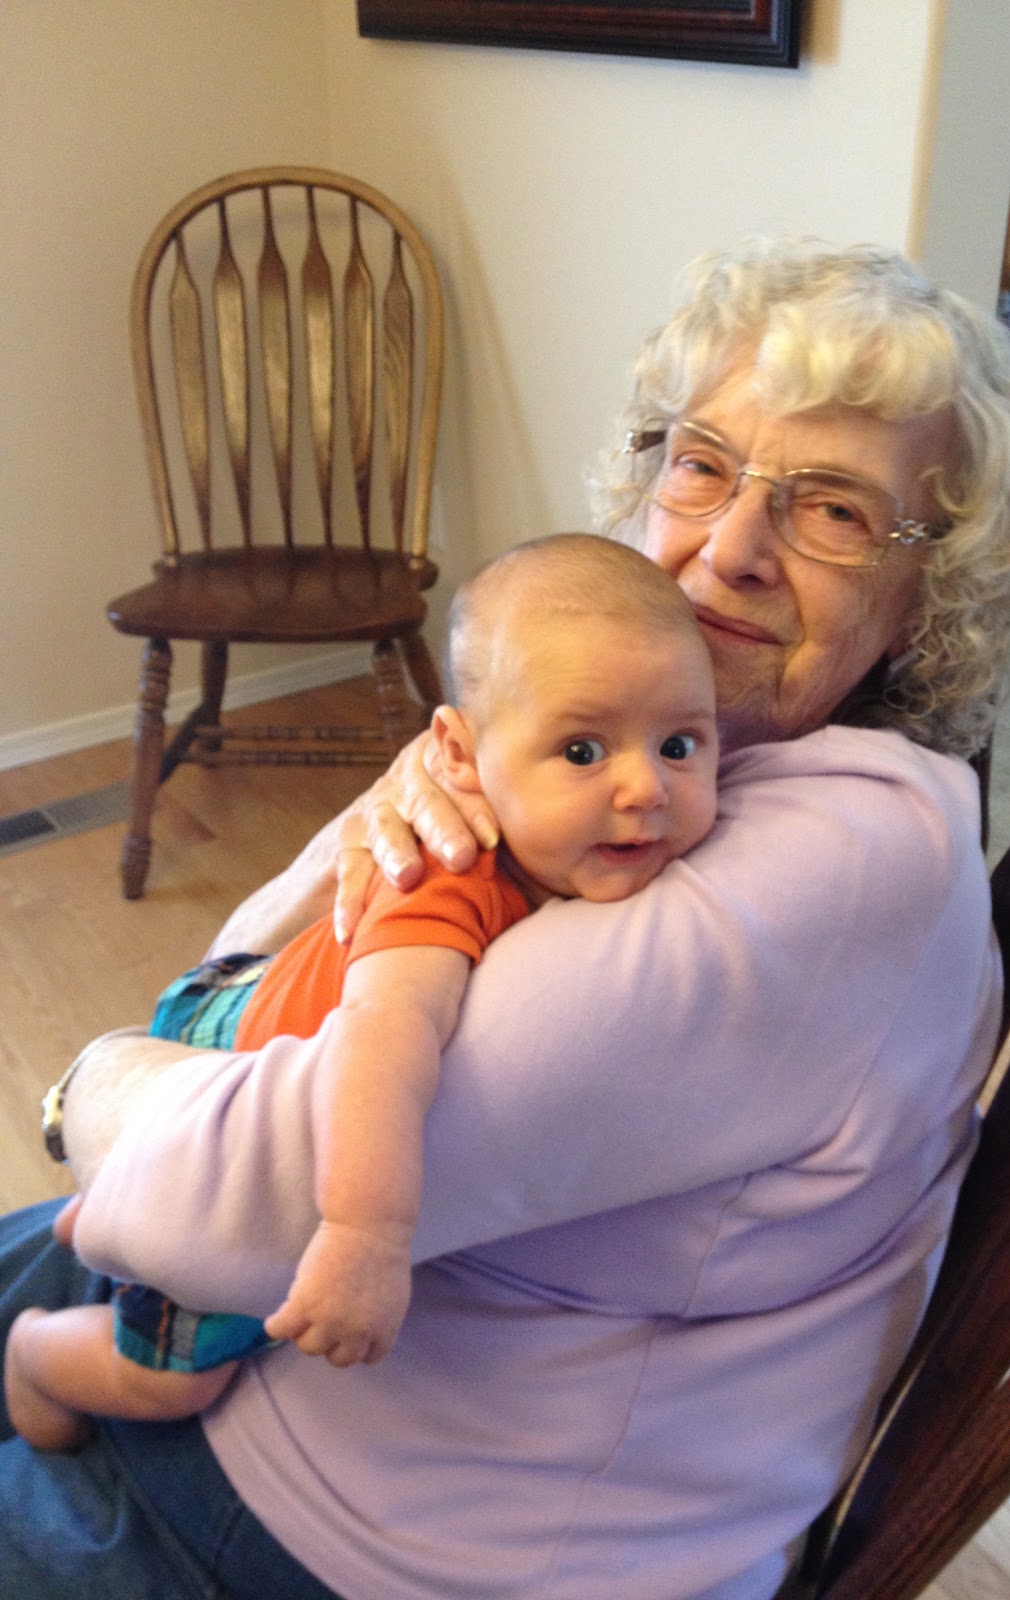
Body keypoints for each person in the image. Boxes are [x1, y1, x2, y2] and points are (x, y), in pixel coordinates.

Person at [0, 238, 1010, 1600]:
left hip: (364, 1531)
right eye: (703, 465)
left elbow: (242, 1206)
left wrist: (89, 1081)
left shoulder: (847, 861)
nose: (730, 549)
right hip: (285, 1356)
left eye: (836, 512)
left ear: (931, 598)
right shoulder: (646, 760)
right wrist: (390, 807)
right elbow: (248, 967)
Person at [4, 534, 720, 1452]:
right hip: (224, 1042)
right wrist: (364, 1236)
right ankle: (34, 1355)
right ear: (459, 756)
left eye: (679, 744)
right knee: (174, 1380)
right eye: (583, 750)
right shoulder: (453, 878)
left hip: (265, 1012)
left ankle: (99, 1217)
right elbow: (383, 1038)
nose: (646, 787)